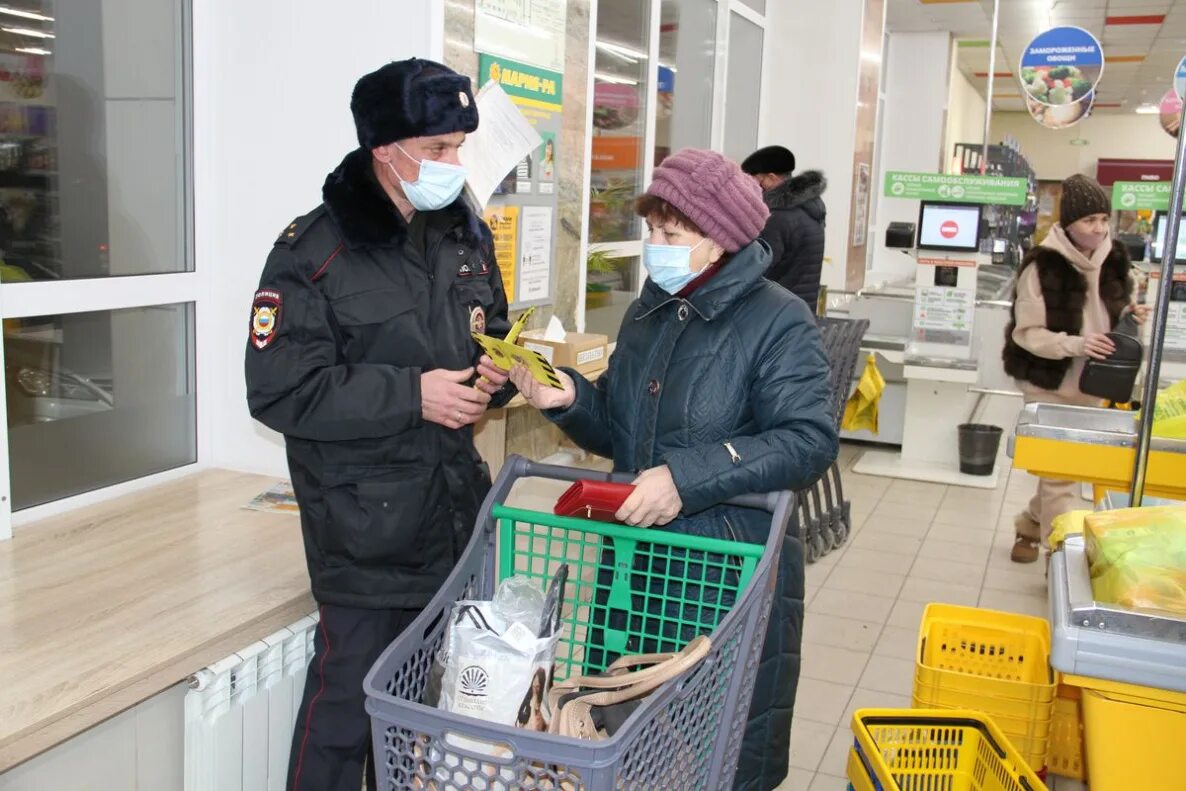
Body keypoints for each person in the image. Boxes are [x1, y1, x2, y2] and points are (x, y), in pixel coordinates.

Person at [507, 148, 838, 791]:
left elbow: (808, 441)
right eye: (651, 231)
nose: (655, 245)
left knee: (713, 748)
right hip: (638, 568)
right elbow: (626, 435)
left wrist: (687, 478)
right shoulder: (649, 310)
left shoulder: (778, 320)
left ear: (720, 240)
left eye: (671, 233)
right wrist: (569, 400)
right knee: (632, 741)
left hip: (727, 573)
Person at [243, 58, 514, 791]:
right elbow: (278, 390)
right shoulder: (314, 252)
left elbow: (493, 334)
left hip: (453, 511)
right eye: (437, 150)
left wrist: (496, 381)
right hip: (365, 529)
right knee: (344, 718)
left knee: (423, 713)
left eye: (460, 146)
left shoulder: (465, 235)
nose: (453, 165)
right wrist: (411, 395)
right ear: (383, 150)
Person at [1003, 174, 1147, 564]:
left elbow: (1115, 313)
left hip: (1095, 382)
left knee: (1062, 471)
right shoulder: (1042, 266)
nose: (1099, 229)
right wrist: (1076, 344)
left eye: (1104, 219)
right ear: (1068, 224)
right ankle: (1060, 561)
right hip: (1048, 382)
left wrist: (1131, 316)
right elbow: (1027, 333)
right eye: (1089, 221)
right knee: (1061, 475)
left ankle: (1030, 526)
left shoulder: (1116, 259)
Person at [740, 145, 827, 309]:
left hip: (775, 313)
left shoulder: (778, 217)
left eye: (755, 181)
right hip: (799, 310)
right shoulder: (810, 209)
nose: (750, 188)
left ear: (771, 178)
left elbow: (756, 269)